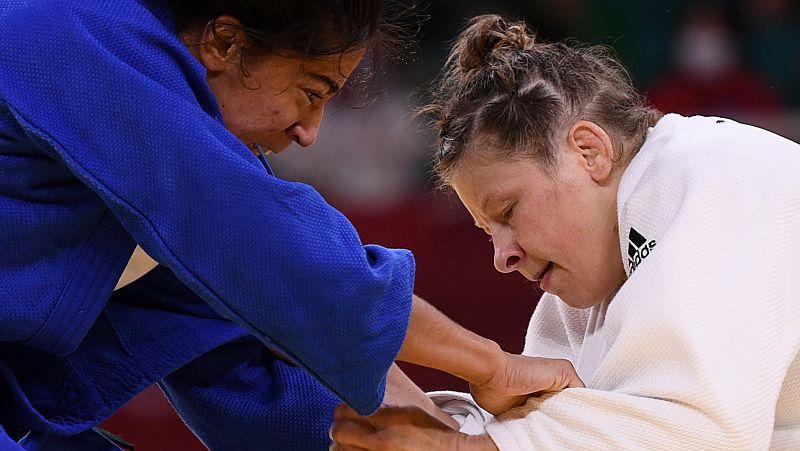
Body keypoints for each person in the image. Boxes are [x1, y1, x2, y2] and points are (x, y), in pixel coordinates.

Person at [0, 3, 581, 450]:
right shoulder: (74, 33)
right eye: (310, 92)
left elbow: (248, 346)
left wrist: (443, 436)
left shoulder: (159, 135)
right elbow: (285, 259)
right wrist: (493, 365)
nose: (308, 132)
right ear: (225, 41)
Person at [330, 14, 800, 450]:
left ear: (589, 151)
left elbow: (701, 433)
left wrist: (460, 445)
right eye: (487, 231)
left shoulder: (708, 170)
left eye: (509, 211)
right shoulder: (594, 274)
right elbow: (554, 427)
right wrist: (437, 423)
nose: (501, 256)